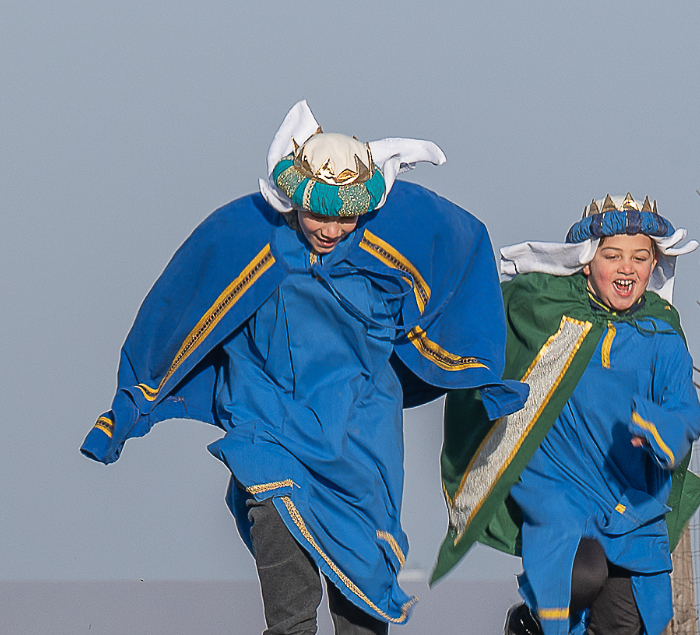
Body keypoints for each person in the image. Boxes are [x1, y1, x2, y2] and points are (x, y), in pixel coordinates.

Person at [80, 101, 525, 635]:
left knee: (360, 573)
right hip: (267, 415)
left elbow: (466, 253)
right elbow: (178, 309)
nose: (332, 229)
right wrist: (130, 404)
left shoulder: (394, 243)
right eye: (319, 213)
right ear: (292, 200)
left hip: (360, 430)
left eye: (346, 215)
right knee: (274, 510)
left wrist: (482, 374)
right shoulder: (248, 240)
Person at [432, 194, 700, 635]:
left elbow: (686, 411)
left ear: (654, 264)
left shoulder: (663, 337)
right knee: (579, 576)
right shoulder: (544, 315)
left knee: (624, 622)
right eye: (612, 255)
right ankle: (533, 621)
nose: (626, 268)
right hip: (557, 490)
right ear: (584, 261)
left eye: (640, 257)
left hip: (632, 504)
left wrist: (661, 432)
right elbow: (485, 332)